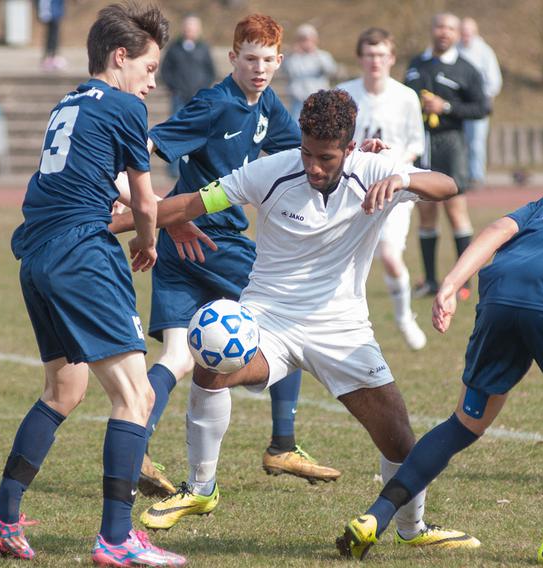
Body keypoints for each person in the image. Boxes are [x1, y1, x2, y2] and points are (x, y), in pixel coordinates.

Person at [139, 91, 481, 557]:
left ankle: (412, 526)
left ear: (349, 147)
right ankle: (201, 489)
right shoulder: (271, 171)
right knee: (210, 363)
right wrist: (111, 220)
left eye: (325, 157)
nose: (313, 166)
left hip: (342, 329)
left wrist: (402, 178)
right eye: (306, 153)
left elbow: (447, 184)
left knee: (399, 437)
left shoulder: (376, 169)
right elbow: (191, 204)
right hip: (268, 319)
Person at [338, 148, 543, 566]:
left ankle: (376, 516)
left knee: (466, 421)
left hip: (500, 292)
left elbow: (499, 228)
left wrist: (450, 284)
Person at [0, 4, 187, 566]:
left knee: (63, 391)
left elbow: (87, 177)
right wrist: (149, 241)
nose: (153, 80)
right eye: (149, 65)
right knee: (135, 396)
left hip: (37, 255)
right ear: (121, 57)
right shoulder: (125, 106)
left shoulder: (68, 102)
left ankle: (3, 514)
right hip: (80, 253)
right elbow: (143, 199)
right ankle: (118, 539)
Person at [110, 14, 342, 499]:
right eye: (249, 59)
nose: (258, 69)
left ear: (280, 61)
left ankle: (137, 452)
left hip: (181, 241)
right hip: (212, 239)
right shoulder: (215, 103)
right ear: (232, 57)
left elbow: (305, 154)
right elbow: (146, 148)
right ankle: (282, 442)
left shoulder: (267, 105)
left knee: (176, 356)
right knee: (288, 317)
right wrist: (142, 203)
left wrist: (360, 155)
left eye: (267, 61)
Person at [337, 28, 427, 350]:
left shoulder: (406, 96)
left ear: (391, 58)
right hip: (351, 188)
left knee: (390, 256)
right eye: (369, 54)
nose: (375, 61)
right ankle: (341, 324)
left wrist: (392, 168)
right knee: (343, 260)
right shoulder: (344, 94)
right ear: (361, 58)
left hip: (395, 187)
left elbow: (416, 144)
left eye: (381, 55)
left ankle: (404, 318)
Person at [405, 13, 489, 300]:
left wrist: (447, 107)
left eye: (451, 28)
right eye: (440, 26)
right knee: (425, 213)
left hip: (451, 144)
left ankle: (463, 282)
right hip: (420, 143)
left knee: (456, 212)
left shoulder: (466, 69)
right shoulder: (417, 63)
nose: (445, 32)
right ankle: (429, 281)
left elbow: (482, 108)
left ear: (456, 34)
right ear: (432, 29)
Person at [159, 14, 215, 178]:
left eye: (193, 28)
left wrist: (203, 89)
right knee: (177, 132)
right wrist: (174, 88)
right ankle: (174, 169)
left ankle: (196, 168)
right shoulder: (174, 48)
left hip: (199, 98)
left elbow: (211, 72)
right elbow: (165, 71)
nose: (190, 31)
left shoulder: (204, 48)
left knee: (198, 132)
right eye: (187, 27)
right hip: (179, 98)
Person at [459, 17, 502, 187]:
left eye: (468, 33)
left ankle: (476, 176)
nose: (465, 37)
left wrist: (486, 98)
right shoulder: (455, 50)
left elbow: (494, 80)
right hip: (458, 103)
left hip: (477, 103)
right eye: (462, 33)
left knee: (476, 142)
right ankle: (460, 174)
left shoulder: (484, 51)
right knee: (459, 141)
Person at [282, 24, 338, 118]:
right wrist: (291, 54)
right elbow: (286, 71)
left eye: (308, 39)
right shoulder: (293, 57)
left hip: (319, 103)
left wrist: (314, 53)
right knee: (296, 131)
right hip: (298, 103)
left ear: (315, 40)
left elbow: (331, 70)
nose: (306, 42)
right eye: (302, 39)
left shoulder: (323, 56)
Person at [39, 0, 66, 71]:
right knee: (52, 36)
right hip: (52, 13)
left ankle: (51, 56)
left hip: (54, 13)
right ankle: (50, 57)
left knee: (53, 35)